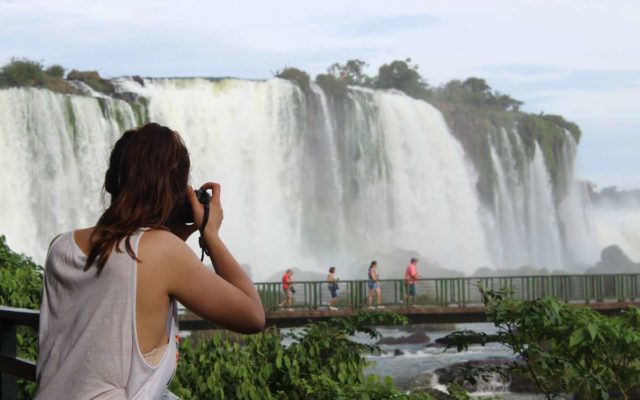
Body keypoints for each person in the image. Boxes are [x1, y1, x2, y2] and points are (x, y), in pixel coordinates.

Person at [34, 123, 265, 399]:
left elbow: (120, 284)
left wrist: (167, 236)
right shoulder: (163, 252)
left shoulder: (60, 245)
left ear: (109, 182)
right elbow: (253, 316)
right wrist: (210, 235)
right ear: (178, 193)